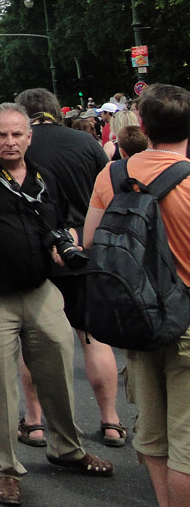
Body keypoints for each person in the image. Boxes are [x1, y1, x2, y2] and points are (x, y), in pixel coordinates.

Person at [0, 103, 112, 506]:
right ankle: (6, 469)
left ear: (29, 137)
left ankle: (67, 449)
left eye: (17, 134)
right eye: (2, 135)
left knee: (59, 373)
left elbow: (63, 221)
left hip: (41, 291)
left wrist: (65, 246)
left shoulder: (44, 175)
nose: (10, 141)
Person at [84, 84, 190, 507]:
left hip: (138, 314)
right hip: (187, 320)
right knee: (187, 438)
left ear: (142, 126)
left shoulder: (111, 176)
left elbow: (92, 241)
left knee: (153, 431)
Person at [14, 88, 124, 450]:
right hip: (84, 251)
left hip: (36, 255)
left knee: (33, 343)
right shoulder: (86, 143)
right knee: (93, 338)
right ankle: (110, 420)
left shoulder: (19, 146)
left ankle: (34, 421)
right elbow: (110, 194)